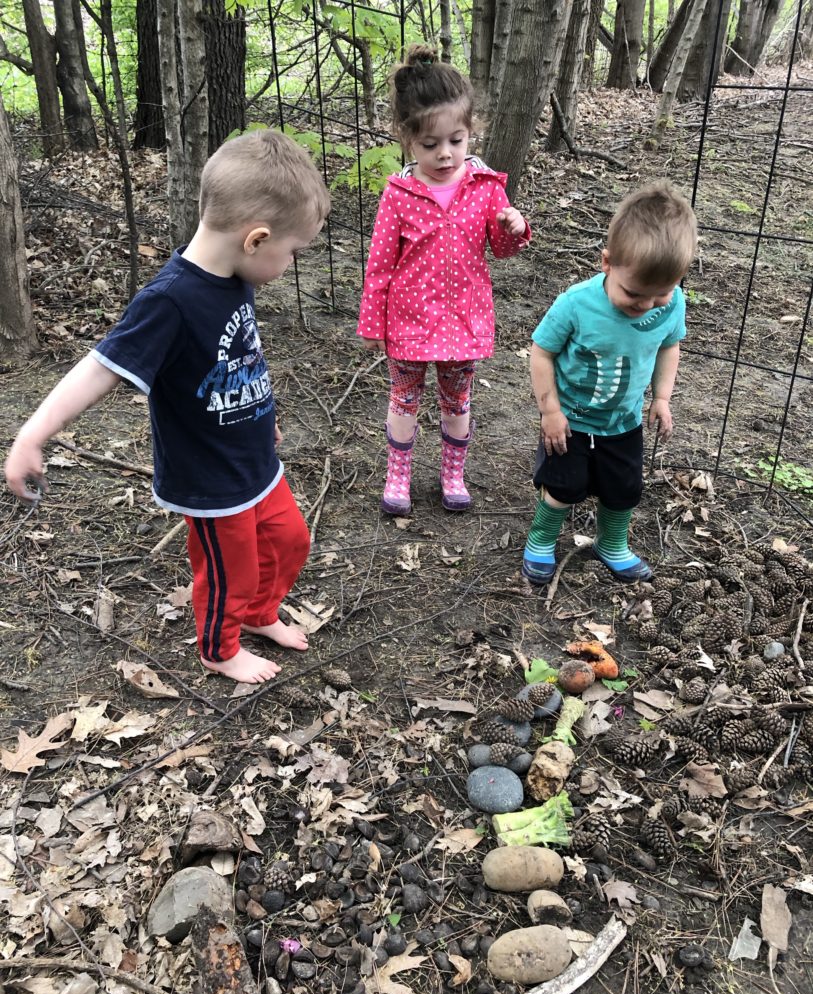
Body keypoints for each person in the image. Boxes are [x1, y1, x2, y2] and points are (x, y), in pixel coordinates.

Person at [5, 130, 330, 684]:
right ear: (255, 238)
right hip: (208, 476)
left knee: (288, 539)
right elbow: (102, 366)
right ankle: (219, 648)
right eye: (293, 252)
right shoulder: (169, 300)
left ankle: (257, 615)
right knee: (230, 567)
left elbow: (235, 358)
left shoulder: (232, 277)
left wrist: (262, 418)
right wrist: (34, 434)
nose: (290, 264)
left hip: (253, 461)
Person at [357, 44, 531, 515]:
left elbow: (501, 247)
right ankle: (399, 475)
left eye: (456, 140)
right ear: (408, 139)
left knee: (457, 401)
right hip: (409, 320)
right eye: (430, 145)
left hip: (464, 318)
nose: (445, 154)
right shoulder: (399, 193)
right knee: (404, 397)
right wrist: (373, 323)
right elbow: (380, 263)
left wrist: (514, 227)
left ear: (470, 130)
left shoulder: (486, 186)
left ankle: (453, 474)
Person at [521, 180, 698, 585]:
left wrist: (662, 397)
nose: (645, 306)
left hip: (623, 422)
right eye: (634, 293)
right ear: (607, 263)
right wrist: (550, 410)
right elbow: (541, 351)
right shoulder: (577, 304)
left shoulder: (673, 306)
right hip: (571, 422)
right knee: (563, 485)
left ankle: (612, 544)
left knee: (623, 490)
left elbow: (670, 346)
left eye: (661, 295)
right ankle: (542, 539)